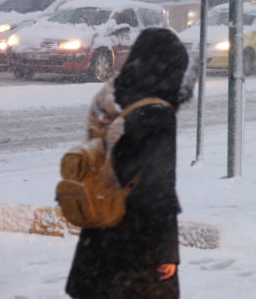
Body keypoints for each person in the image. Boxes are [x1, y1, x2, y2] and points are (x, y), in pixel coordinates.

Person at [66, 28, 198, 299]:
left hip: (99, 235)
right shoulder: (157, 113)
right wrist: (166, 252)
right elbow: (157, 189)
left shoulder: (110, 97)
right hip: (136, 248)